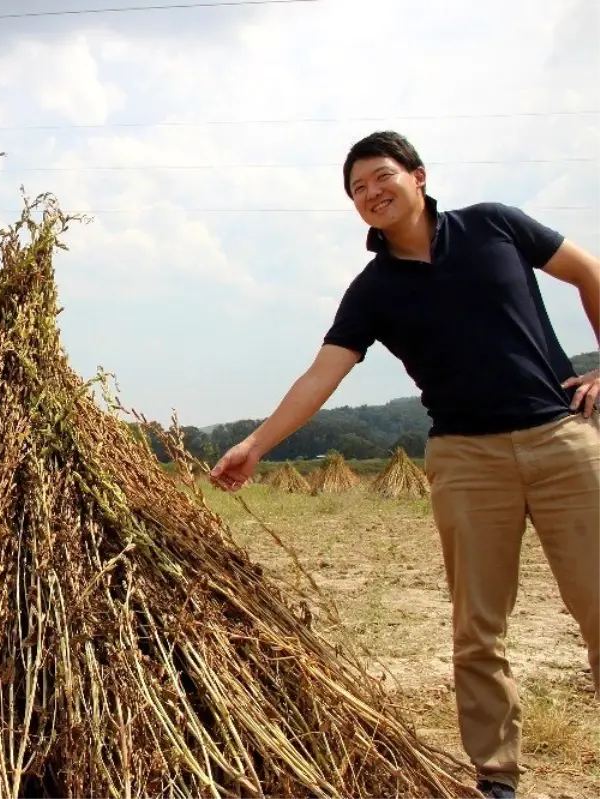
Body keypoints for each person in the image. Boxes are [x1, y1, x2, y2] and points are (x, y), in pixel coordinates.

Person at [209, 131, 600, 799]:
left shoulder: (494, 226)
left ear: (418, 176)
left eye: (381, 176)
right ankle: (496, 777)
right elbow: (321, 374)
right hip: (466, 459)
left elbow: (588, 273)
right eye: (357, 189)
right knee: (478, 627)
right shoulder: (373, 289)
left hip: (562, 439)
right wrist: (256, 444)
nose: (370, 193)